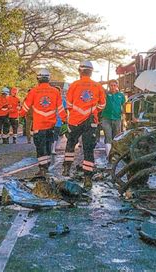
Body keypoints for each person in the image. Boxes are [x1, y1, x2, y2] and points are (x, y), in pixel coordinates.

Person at [63, 60, 106, 189]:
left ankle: (66, 169)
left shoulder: (74, 85)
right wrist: (92, 111)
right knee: (88, 149)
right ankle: (88, 178)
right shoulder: (97, 86)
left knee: (70, 144)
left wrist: (77, 111)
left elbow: (69, 105)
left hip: (75, 120)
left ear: (80, 71)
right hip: (91, 121)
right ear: (91, 72)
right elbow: (102, 104)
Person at [20, 69, 67, 177]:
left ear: (38, 79)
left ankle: (42, 169)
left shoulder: (33, 91)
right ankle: (46, 166)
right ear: (48, 79)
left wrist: (20, 115)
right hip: (51, 125)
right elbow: (60, 109)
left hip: (38, 125)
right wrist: (65, 119)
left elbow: (25, 108)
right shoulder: (55, 92)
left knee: (40, 147)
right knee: (48, 145)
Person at [101, 80, 125, 158]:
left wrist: (125, 116)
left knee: (116, 137)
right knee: (108, 136)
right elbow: (98, 85)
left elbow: (124, 106)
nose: (113, 87)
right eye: (111, 85)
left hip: (117, 118)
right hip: (106, 118)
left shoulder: (121, 95)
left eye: (114, 85)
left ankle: (115, 154)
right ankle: (109, 156)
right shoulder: (105, 94)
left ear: (117, 86)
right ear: (109, 86)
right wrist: (106, 82)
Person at [51, 86, 67, 155]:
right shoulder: (49, 99)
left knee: (56, 134)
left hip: (58, 120)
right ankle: (52, 148)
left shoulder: (62, 100)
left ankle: (54, 148)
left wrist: (65, 118)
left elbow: (65, 110)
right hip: (49, 120)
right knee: (51, 134)